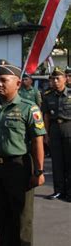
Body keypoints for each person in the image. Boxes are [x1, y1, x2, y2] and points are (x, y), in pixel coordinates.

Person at [0, 59, 45, 246]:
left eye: (3, 80)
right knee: (1, 214)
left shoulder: (28, 108)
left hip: (19, 167)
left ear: (17, 83)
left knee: (21, 216)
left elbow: (37, 141)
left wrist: (39, 171)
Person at [42, 67, 71, 201]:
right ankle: (58, 191)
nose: (55, 81)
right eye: (53, 78)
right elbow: (46, 116)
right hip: (54, 129)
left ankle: (70, 192)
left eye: (58, 78)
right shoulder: (48, 96)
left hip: (69, 128)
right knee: (57, 163)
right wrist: (46, 134)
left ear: (65, 79)